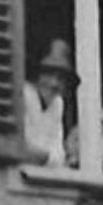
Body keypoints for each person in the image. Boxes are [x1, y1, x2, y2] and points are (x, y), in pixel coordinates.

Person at [23, 38, 77, 167]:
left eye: (61, 78)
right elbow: (20, 149)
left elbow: (58, 154)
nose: (54, 83)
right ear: (36, 73)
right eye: (48, 74)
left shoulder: (57, 103)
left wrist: (44, 156)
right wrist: (47, 157)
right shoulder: (23, 95)